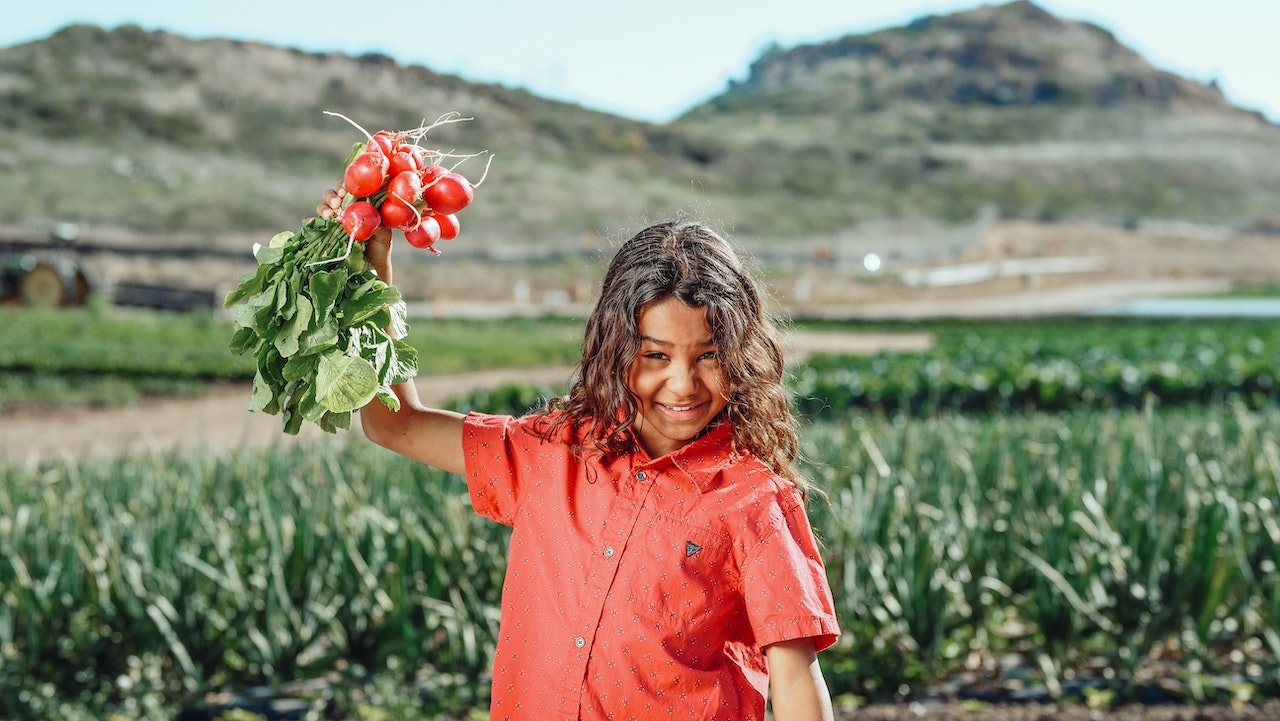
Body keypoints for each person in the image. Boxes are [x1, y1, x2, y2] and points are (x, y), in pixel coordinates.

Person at [318, 189, 840, 721]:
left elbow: (795, 677)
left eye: (709, 356)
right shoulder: (550, 452)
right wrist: (370, 269)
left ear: (739, 354)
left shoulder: (754, 501)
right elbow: (395, 423)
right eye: (655, 355)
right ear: (614, 347)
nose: (682, 384)